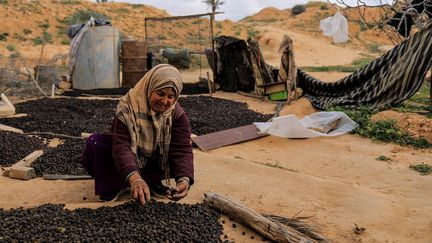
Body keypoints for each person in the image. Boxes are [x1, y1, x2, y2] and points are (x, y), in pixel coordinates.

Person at [81, 64, 194, 205]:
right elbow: (122, 146)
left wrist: (184, 179)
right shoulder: (128, 107)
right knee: (95, 143)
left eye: (171, 96)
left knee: (178, 160)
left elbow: (182, 149)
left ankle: (151, 181)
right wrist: (135, 178)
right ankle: (114, 185)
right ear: (150, 88)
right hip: (126, 160)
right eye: (160, 94)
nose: (165, 101)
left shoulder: (176, 114)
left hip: (152, 160)